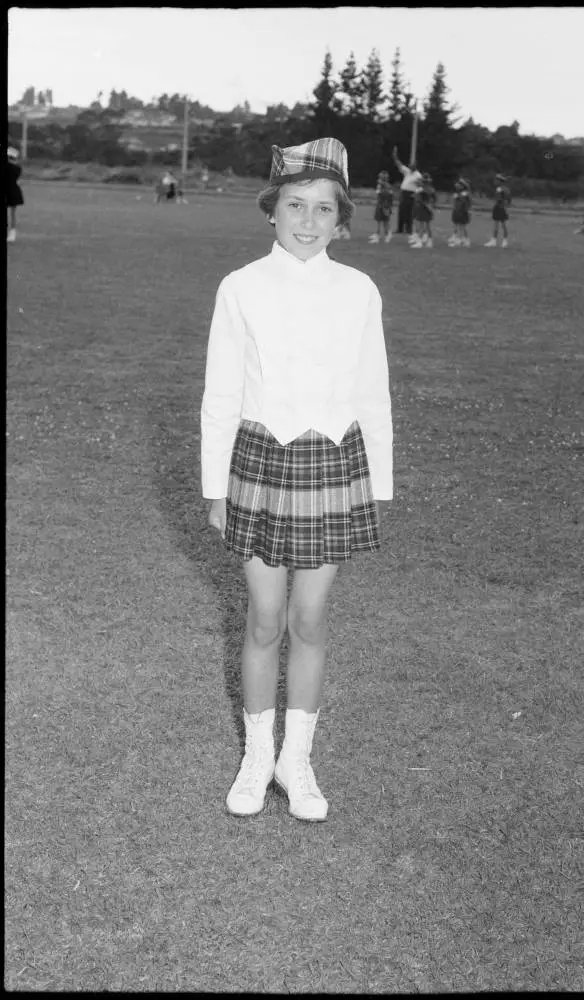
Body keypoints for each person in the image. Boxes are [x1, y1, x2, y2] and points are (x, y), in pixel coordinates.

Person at [201, 137, 393, 824]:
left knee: (310, 620)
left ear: (341, 221)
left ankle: (296, 759)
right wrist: (214, 487)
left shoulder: (358, 289)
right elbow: (220, 393)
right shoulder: (241, 286)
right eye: (293, 206)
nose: (307, 221)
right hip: (259, 461)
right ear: (271, 211)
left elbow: (373, 391)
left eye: (322, 209)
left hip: (334, 464)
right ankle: (257, 755)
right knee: (264, 618)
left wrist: (379, 485)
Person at [391, 145, 423, 240]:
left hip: (411, 194)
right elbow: (398, 164)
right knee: (401, 210)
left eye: (412, 165)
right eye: (410, 164)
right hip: (404, 193)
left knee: (409, 211)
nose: (410, 166)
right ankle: (400, 228)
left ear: (415, 166)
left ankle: (409, 229)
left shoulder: (418, 175)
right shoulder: (408, 172)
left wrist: (417, 194)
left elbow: (421, 185)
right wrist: (395, 155)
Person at [411, 172, 437, 248]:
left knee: (422, 225)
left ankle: (419, 242)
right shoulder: (431, 189)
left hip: (423, 208)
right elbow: (434, 199)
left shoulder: (422, 189)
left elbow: (417, 198)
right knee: (427, 226)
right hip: (428, 208)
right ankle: (429, 241)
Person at [485, 174, 511, 247]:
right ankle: (499, 241)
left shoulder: (499, 189)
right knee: (499, 225)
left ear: (500, 181)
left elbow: (498, 199)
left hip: (499, 207)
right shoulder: (506, 189)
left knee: (501, 225)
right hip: (503, 207)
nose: (495, 181)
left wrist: (497, 206)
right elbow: (509, 200)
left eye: (496, 180)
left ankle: (499, 241)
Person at [369, 170, 394, 243]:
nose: (379, 179)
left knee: (384, 222)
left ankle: (387, 235)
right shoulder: (382, 186)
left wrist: (387, 207)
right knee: (379, 221)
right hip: (381, 206)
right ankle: (378, 235)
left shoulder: (387, 187)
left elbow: (387, 197)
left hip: (384, 206)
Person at [6, 146, 24, 243]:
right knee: (13, 214)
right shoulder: (17, 168)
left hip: (8, 190)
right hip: (14, 191)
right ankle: (12, 233)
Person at [448, 179, 472, 247]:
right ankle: (463, 239)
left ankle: (459, 240)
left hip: (463, 211)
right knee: (459, 225)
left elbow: (466, 203)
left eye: (459, 184)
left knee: (462, 226)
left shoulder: (465, 193)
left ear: (462, 186)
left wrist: (468, 211)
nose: (457, 185)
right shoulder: (458, 193)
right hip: (457, 211)